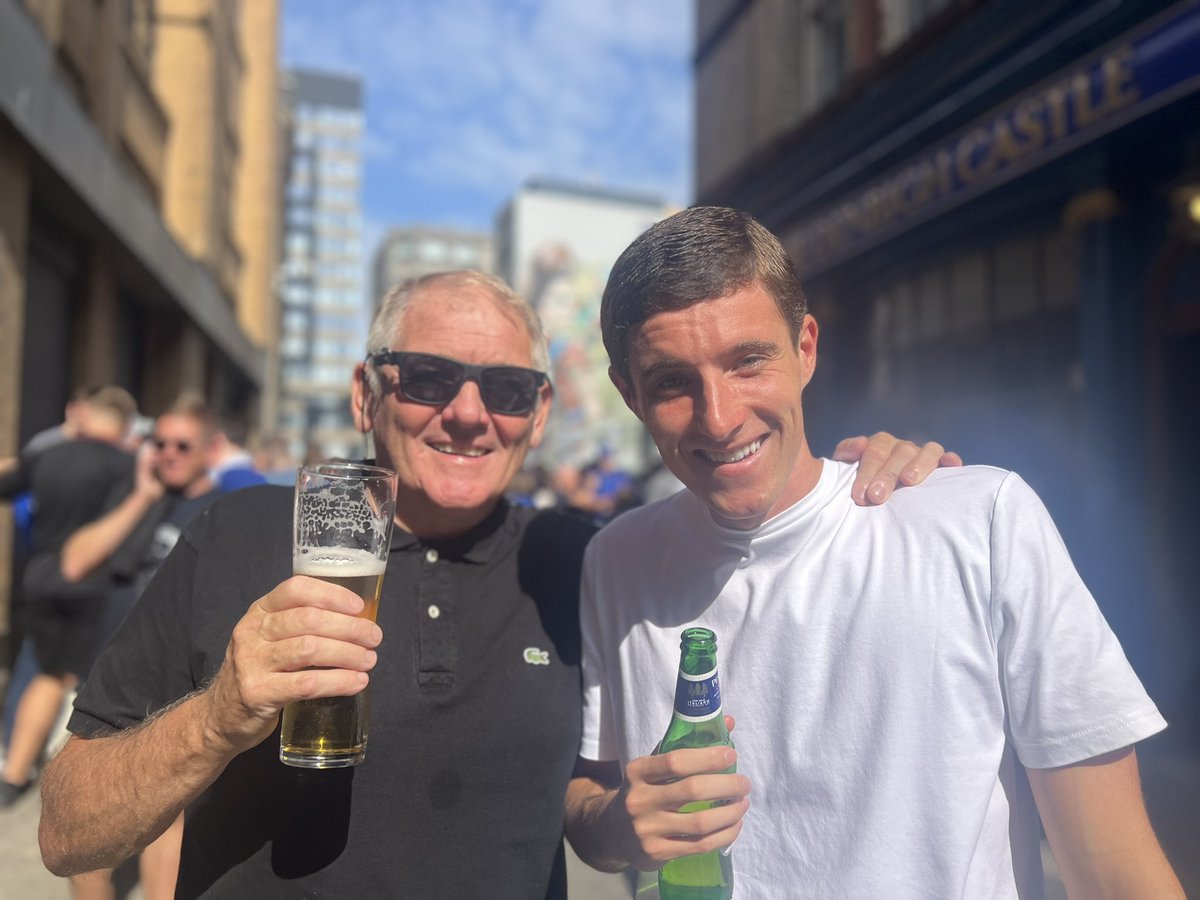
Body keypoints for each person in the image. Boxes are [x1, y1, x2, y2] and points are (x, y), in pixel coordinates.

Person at [38, 270, 950, 896]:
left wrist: (864, 482)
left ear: (539, 414)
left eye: (507, 389)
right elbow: (68, 832)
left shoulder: (583, 559)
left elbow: (593, 805)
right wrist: (218, 716)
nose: (469, 414)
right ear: (366, 393)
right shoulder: (237, 533)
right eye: (430, 378)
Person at [563, 207, 1184, 898]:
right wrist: (617, 827)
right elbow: (594, 792)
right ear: (628, 394)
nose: (720, 417)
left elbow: (1113, 869)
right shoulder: (615, 559)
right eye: (672, 383)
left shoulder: (980, 520)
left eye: (748, 362)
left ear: (805, 348)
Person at [56, 396, 222, 899]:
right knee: (83, 825)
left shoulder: (222, 514)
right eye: (159, 442)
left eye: (182, 445)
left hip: (173, 686)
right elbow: (74, 562)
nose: (168, 453)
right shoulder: (139, 497)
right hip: (108, 679)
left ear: (210, 449)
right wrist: (141, 498)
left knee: (165, 816)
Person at [0, 387, 138, 807]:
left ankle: (13, 775)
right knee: (94, 684)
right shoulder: (126, 465)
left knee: (47, 675)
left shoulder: (47, 455)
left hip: (42, 580)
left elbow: (7, 485)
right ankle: (83, 789)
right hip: (97, 586)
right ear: (124, 425)